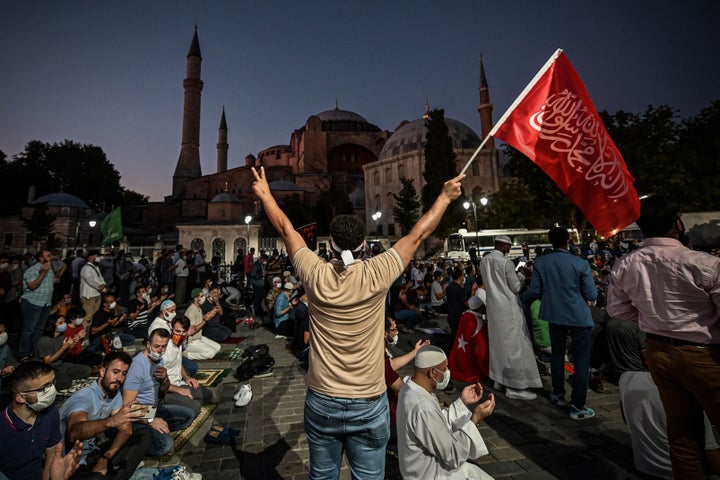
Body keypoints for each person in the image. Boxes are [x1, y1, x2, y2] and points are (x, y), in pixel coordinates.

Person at [250, 165, 464, 479]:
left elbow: (286, 229)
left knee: (323, 475)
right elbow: (417, 235)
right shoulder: (376, 272)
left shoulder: (315, 273)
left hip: (324, 399)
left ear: (330, 245)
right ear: (363, 245)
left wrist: (266, 195)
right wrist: (444, 198)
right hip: (368, 400)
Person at [606, 195, 720, 478]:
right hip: (705, 355)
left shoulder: (626, 264)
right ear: (677, 225)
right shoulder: (704, 264)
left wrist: (650, 320)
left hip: (659, 351)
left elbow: (617, 310)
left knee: (682, 435)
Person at [529, 226, 598, 419]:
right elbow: (591, 294)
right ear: (568, 240)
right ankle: (577, 406)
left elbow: (535, 290)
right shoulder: (580, 264)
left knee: (557, 355)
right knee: (581, 360)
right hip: (578, 315)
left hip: (554, 314)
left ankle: (558, 393)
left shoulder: (541, 262)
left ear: (550, 240)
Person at [397, 345, 495, 479]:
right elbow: (453, 455)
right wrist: (475, 419)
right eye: (444, 369)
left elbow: (435, 425)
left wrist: (462, 402)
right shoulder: (423, 407)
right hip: (432, 474)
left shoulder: (410, 387)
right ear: (432, 372)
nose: (447, 372)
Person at [59, 351, 153, 479]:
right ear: (102, 372)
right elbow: (74, 433)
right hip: (69, 465)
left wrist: (105, 458)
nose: (119, 378)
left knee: (144, 433)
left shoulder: (113, 393)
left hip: (92, 453)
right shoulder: (83, 398)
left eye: (124, 374)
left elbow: (126, 430)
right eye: (115, 372)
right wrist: (111, 421)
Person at [480, 236, 541, 400]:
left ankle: (499, 380)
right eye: (508, 246)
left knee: (498, 346)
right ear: (504, 245)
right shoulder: (506, 263)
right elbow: (515, 287)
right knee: (514, 348)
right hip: (508, 309)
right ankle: (515, 386)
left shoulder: (484, 261)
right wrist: (520, 275)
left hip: (494, 309)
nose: (509, 249)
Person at [0, 361, 84, 480]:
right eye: (45, 387)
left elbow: (51, 457)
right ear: (21, 397)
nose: (52, 390)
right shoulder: (3, 428)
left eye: (53, 383)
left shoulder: (50, 412)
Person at [122, 328, 196, 457]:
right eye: (156, 346)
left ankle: (157, 430)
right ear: (148, 345)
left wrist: (165, 378)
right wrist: (151, 420)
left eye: (163, 347)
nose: (160, 350)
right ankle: (137, 440)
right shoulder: (137, 367)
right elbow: (128, 404)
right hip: (137, 416)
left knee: (188, 415)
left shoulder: (159, 360)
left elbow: (164, 389)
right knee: (165, 445)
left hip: (154, 408)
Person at [36, 315, 92, 391]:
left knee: (87, 369)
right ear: (53, 325)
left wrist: (76, 341)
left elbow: (64, 354)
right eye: (60, 323)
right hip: (47, 369)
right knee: (66, 383)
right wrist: (63, 348)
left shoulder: (61, 337)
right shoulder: (44, 340)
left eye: (64, 322)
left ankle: (60, 377)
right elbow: (48, 362)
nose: (64, 324)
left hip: (59, 365)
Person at [18, 249, 56, 361]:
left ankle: (34, 351)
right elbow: (32, 286)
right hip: (32, 303)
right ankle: (23, 353)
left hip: (45, 303)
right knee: (29, 329)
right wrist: (43, 273)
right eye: (48, 255)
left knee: (39, 329)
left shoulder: (50, 269)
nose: (51, 257)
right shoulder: (32, 270)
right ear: (41, 258)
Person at [184, 288, 221, 360]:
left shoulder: (198, 308)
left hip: (199, 337)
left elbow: (200, 318)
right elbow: (192, 331)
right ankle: (187, 355)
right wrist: (205, 320)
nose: (203, 298)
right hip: (191, 341)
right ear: (195, 298)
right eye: (201, 296)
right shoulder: (191, 310)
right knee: (211, 353)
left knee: (218, 347)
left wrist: (210, 314)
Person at [79, 250, 106, 331]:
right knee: (88, 316)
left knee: (94, 315)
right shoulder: (86, 268)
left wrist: (103, 285)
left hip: (97, 294)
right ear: (91, 257)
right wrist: (100, 287)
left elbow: (100, 278)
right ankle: (83, 335)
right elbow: (90, 281)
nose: (99, 258)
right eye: (97, 256)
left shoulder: (96, 267)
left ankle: (90, 332)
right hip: (89, 295)